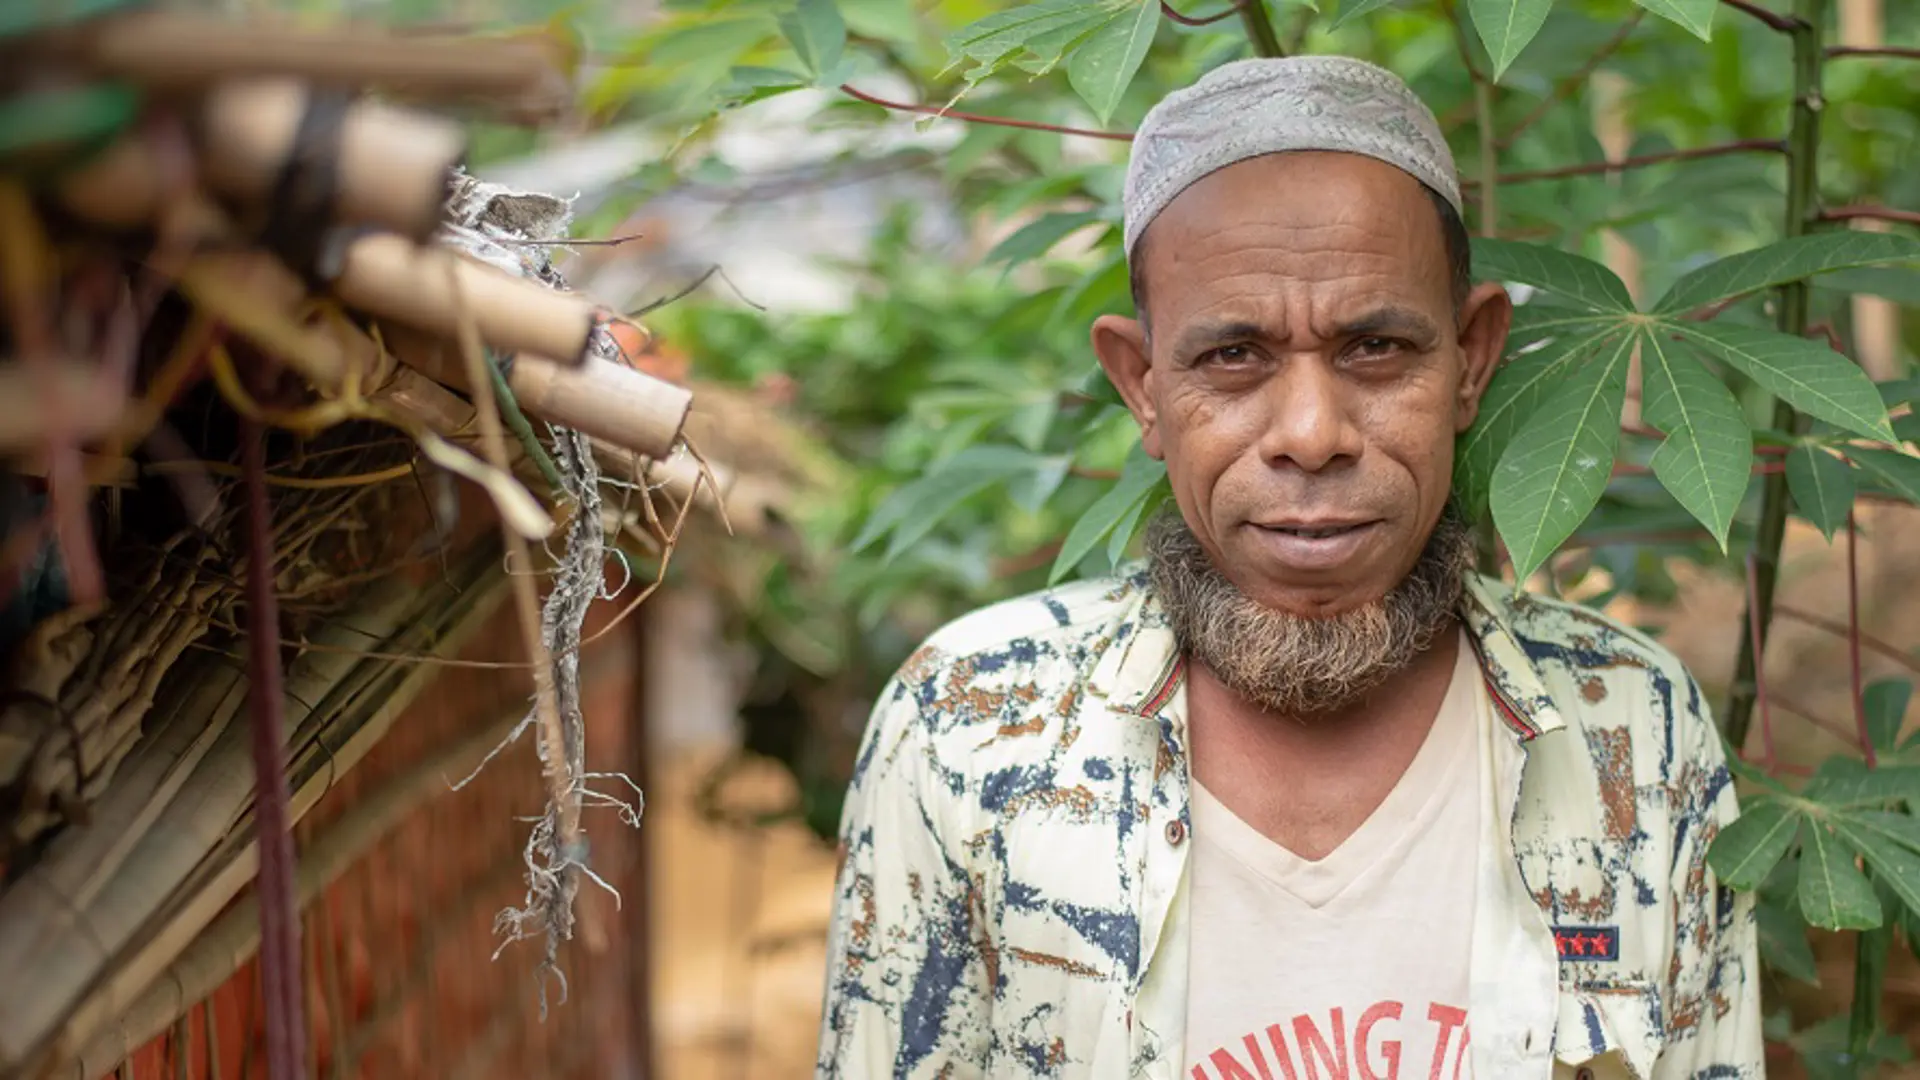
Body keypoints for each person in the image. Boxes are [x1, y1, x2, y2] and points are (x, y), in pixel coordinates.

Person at [814, 55, 1762, 1080]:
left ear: (1474, 359)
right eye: (1233, 357)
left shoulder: (1632, 727)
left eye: (1376, 348)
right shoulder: (971, 725)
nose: (1311, 435)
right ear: (1141, 386)